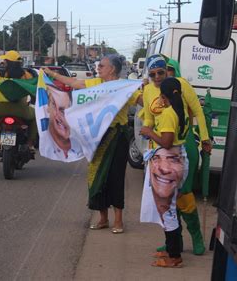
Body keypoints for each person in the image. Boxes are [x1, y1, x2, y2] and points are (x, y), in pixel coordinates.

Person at [45, 54, 140, 233]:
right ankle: (103, 218)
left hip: (117, 137)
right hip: (96, 138)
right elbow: (74, 84)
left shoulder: (124, 87)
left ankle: (118, 221)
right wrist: (51, 74)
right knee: (97, 177)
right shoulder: (95, 84)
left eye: (102, 66)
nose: (98, 68)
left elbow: (143, 101)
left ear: (112, 69)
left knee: (116, 178)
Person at [142, 54, 209, 256]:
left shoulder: (178, 84)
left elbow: (197, 111)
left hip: (182, 145)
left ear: (167, 70)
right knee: (164, 196)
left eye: (160, 72)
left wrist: (205, 139)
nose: (156, 77)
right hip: (159, 148)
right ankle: (173, 241)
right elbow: (148, 119)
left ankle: (196, 236)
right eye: (152, 74)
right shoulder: (147, 90)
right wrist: (148, 140)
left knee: (184, 194)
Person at [140, 77, 189, 268]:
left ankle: (174, 256)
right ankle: (171, 248)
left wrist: (149, 131)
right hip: (177, 159)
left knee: (167, 209)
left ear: (163, 95)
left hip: (169, 161)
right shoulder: (181, 110)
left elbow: (167, 142)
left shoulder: (169, 113)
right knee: (170, 207)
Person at [0, 51, 38, 151]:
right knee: (34, 118)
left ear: (8, 62)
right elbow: (33, 86)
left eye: (5, 60)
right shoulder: (26, 75)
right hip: (21, 110)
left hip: (1, 108)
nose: (4, 62)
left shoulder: (1, 74)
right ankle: (29, 143)